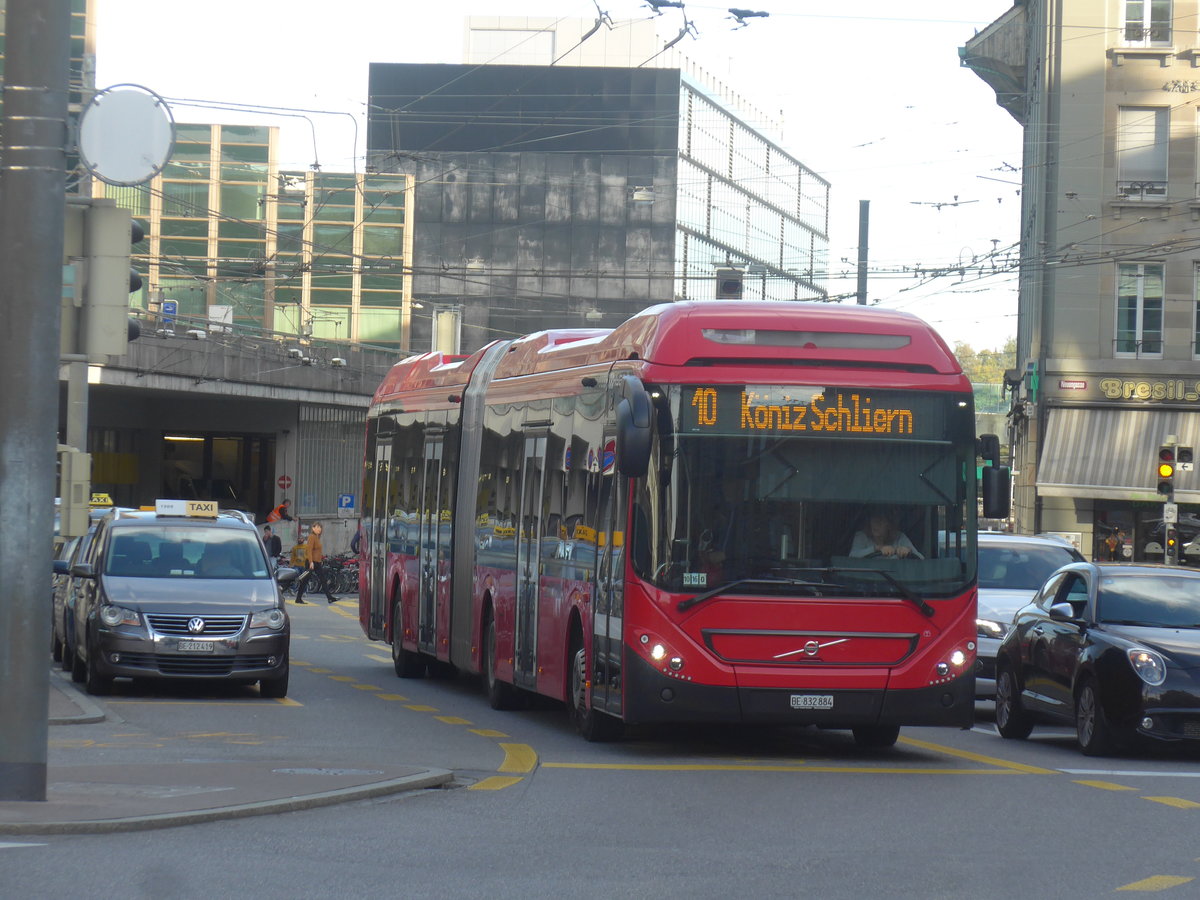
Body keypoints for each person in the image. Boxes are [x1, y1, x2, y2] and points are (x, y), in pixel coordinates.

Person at [849, 511, 924, 559]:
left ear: (889, 524)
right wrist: (876, 548)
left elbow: (921, 559)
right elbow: (852, 556)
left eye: (880, 520)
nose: (876, 524)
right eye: (873, 520)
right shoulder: (861, 536)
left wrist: (908, 551)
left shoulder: (900, 537)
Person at [296, 521, 337, 605]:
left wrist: (320, 561)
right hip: (311, 562)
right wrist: (311, 562)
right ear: (313, 528)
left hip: (317, 562)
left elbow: (317, 551)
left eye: (320, 527)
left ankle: (329, 598)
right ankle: (298, 598)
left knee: (323, 580)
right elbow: (309, 550)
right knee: (305, 581)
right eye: (317, 527)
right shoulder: (311, 537)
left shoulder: (317, 538)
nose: (319, 529)